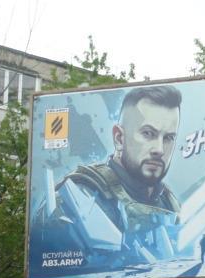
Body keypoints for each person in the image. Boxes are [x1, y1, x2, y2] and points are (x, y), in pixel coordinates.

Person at [56, 85, 182, 233]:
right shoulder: (79, 195)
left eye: (168, 138)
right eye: (148, 133)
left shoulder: (169, 203)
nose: (159, 150)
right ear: (119, 138)